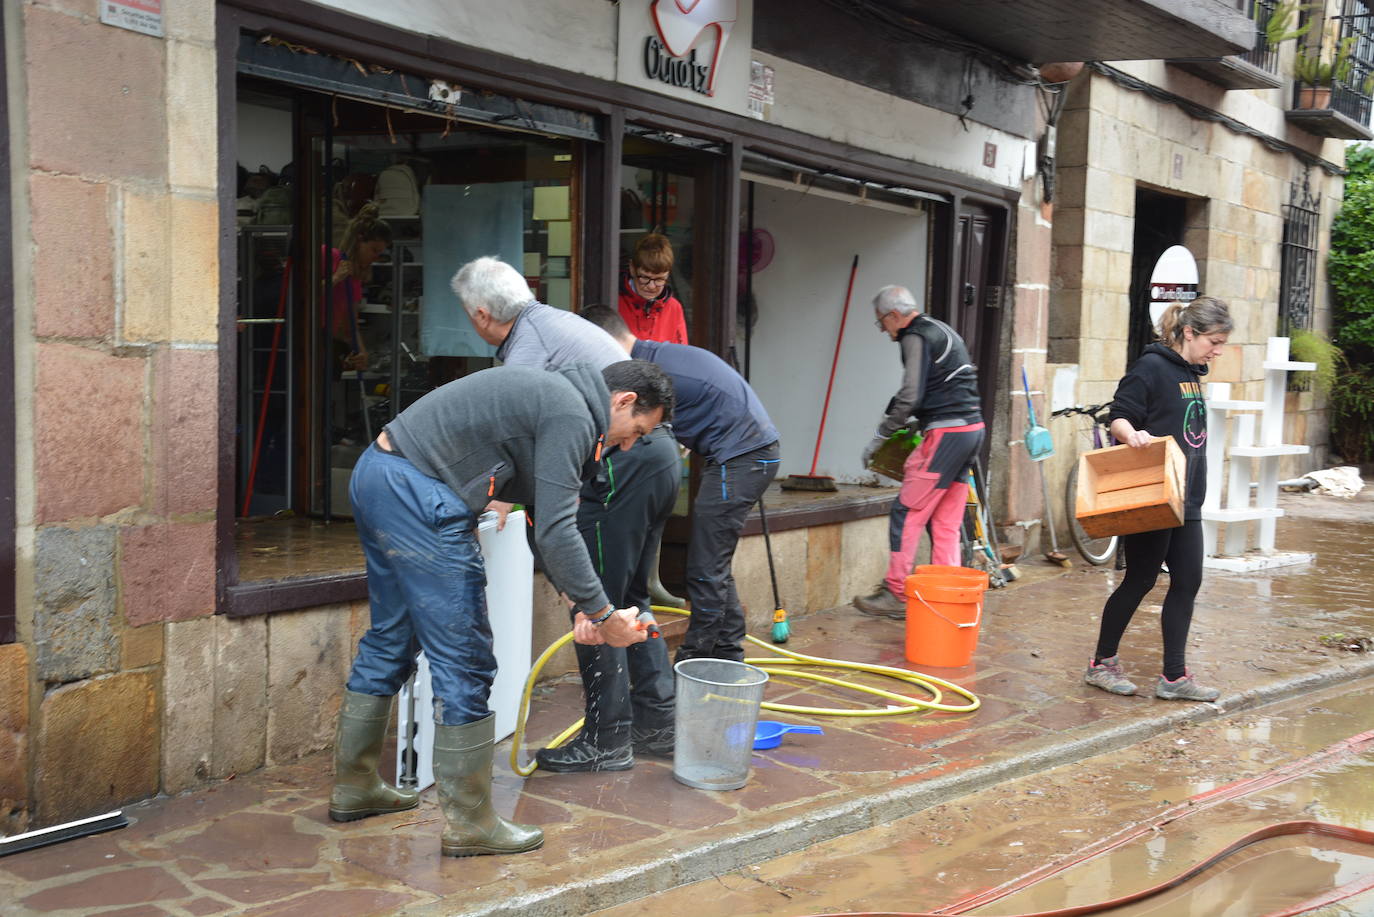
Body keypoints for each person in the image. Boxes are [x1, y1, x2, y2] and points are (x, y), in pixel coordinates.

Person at [330, 360, 674, 857]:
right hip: (417, 492)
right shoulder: (573, 413)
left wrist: (580, 606)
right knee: (465, 659)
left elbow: (542, 518)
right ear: (621, 401)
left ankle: (355, 786)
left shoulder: (559, 396)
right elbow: (558, 530)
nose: (627, 445)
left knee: (391, 637)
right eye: (635, 430)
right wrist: (602, 615)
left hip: (380, 474)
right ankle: (470, 823)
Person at [452, 256, 682, 773]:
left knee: (594, 597)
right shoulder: (550, 321)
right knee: (625, 597)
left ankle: (607, 739)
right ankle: (657, 722)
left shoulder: (527, 345)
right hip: (653, 455)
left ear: (481, 314)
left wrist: (502, 492)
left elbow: (514, 425)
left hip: (627, 454)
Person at [581, 305, 780, 663]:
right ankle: (728, 652)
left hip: (745, 455)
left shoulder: (650, 376)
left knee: (706, 567)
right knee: (713, 561)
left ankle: (694, 661)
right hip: (744, 454)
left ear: (602, 340)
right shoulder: (654, 359)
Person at [1083, 296, 1232, 702]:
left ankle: (1174, 676)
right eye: (1213, 342)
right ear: (1189, 333)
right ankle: (1102, 663)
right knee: (1141, 579)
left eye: (1220, 344)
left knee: (1188, 581)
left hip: (1188, 497)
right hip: (1154, 494)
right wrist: (1132, 434)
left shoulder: (1191, 372)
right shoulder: (1151, 366)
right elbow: (1119, 414)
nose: (1217, 351)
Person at [853, 285, 985, 619]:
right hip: (970, 430)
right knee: (944, 521)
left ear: (894, 315)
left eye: (882, 322)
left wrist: (881, 435)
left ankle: (896, 593)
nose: (884, 330)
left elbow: (911, 393)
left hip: (946, 433)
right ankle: (945, 597)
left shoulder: (916, 335)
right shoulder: (942, 329)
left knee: (907, 512)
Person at [618, 232, 689, 345]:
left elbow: (680, 355)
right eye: (645, 277)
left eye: (659, 279)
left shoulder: (674, 308)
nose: (651, 286)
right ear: (632, 268)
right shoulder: (614, 301)